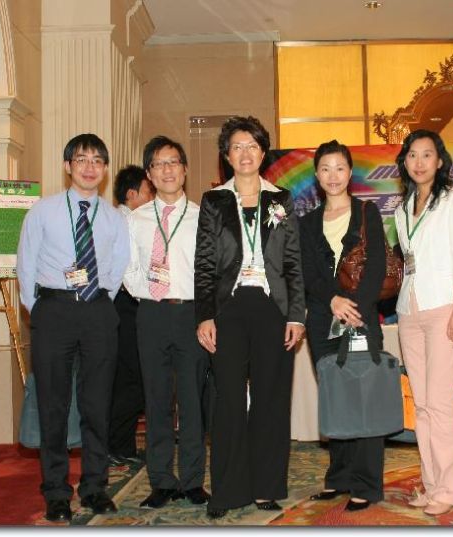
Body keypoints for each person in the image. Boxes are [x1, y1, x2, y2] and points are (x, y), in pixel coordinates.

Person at [194, 116, 306, 519]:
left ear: (263, 153)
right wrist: (205, 316)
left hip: (272, 308)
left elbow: (292, 262)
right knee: (227, 400)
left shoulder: (281, 200)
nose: (245, 153)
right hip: (229, 308)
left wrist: (296, 316)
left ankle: (266, 486)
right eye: (237, 147)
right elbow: (204, 264)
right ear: (227, 155)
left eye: (252, 146)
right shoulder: (214, 201)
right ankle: (227, 490)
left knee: (270, 399)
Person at [16, 133, 129, 522]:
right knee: (53, 404)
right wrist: (42, 308)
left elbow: (118, 266)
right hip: (53, 310)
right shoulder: (43, 211)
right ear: (68, 166)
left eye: (97, 160)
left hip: (97, 311)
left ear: (105, 169)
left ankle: (94, 487)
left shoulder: (113, 217)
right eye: (82, 159)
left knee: (97, 404)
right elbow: (26, 264)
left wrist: (96, 299)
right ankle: (56, 491)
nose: (89, 167)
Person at [123, 136, 211, 509]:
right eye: (159, 164)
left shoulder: (203, 217)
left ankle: (192, 481)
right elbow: (128, 269)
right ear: (150, 173)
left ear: (185, 169)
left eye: (173, 162)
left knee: (192, 400)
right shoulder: (136, 219)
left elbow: (210, 271)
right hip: (151, 313)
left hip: (192, 315)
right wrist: (151, 290)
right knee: (156, 399)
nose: (167, 170)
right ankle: (161, 481)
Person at [299, 140, 387, 512]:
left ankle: (366, 483)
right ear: (317, 176)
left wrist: (355, 308)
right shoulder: (306, 222)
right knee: (335, 398)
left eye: (339, 168)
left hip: (361, 317)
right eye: (325, 169)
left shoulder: (368, 213)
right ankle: (339, 477)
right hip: (323, 319)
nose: (332, 175)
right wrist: (333, 301)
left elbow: (378, 266)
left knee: (364, 401)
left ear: (349, 173)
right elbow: (306, 273)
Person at [393, 129, 453, 517]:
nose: (419, 162)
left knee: (442, 401)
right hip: (409, 310)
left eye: (427, 154)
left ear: (440, 161)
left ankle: (450, 488)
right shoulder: (401, 208)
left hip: (445, 305)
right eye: (412, 155)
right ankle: (431, 484)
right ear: (405, 162)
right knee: (422, 404)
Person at [109, 165, 154, 466]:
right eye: (148, 191)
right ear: (131, 194)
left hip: (127, 306)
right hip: (125, 305)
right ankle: (114, 444)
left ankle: (121, 445)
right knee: (134, 379)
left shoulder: (125, 219)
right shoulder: (125, 222)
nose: (152, 197)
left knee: (128, 379)